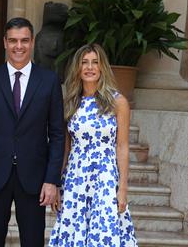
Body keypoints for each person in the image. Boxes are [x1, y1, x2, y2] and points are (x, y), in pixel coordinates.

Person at [0, 17, 65, 246]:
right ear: (4, 42)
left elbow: (58, 134)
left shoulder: (49, 81)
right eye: (13, 40)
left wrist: (52, 180)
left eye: (24, 40)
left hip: (34, 178)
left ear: (32, 43)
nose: (18, 46)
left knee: (32, 241)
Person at [48, 43, 138, 246]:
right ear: (78, 69)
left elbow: (122, 146)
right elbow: (65, 148)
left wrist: (122, 188)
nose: (90, 67)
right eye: (85, 63)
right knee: (72, 233)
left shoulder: (118, 102)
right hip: (75, 178)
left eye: (95, 63)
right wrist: (57, 184)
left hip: (105, 179)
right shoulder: (71, 103)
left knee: (103, 233)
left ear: (102, 67)